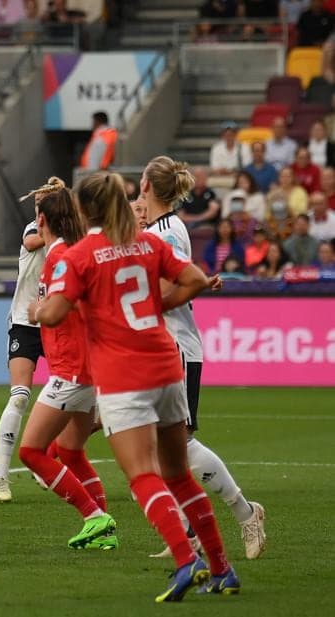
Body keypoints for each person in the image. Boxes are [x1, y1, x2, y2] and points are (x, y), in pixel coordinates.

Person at [34, 171, 240, 600]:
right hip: (167, 367)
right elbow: (197, 279)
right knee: (179, 475)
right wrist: (156, 305)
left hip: (123, 375)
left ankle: (186, 561)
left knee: (143, 476)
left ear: (83, 209)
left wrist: (37, 310)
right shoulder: (149, 243)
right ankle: (223, 569)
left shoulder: (82, 254)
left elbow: (54, 314)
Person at [141, 156, 267, 561]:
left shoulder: (167, 231)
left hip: (176, 345)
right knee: (164, 448)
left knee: (182, 443)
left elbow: (176, 283)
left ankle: (246, 512)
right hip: (160, 346)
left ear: (147, 186)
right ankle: (190, 533)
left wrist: (144, 306)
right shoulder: (155, 229)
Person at [16, 180, 118, 550]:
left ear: (42, 220)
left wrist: (39, 310)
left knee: (31, 451)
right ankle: (103, 531)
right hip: (85, 369)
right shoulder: (68, 252)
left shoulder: (61, 258)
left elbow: (66, 307)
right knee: (72, 452)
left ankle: (95, 517)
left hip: (70, 371)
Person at [0, 180, 48, 503]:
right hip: (26, 323)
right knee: (20, 396)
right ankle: (1, 476)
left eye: (44, 207)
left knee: (68, 395)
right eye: (38, 206)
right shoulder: (34, 231)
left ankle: (41, 460)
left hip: (55, 322)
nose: (39, 212)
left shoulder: (68, 239)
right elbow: (30, 243)